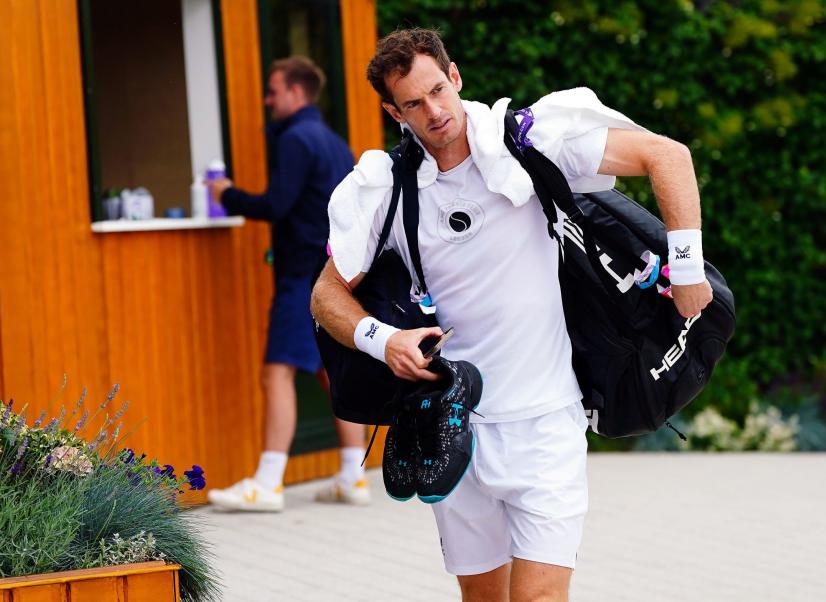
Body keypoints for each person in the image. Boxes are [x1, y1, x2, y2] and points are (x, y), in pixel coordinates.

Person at [311, 29, 712, 600]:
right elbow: (326, 296)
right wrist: (383, 340)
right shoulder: (387, 187)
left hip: (547, 422)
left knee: (539, 597)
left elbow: (667, 154)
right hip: (452, 428)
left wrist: (688, 267)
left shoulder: (528, 142)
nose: (433, 112)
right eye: (413, 104)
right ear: (391, 110)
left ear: (455, 77)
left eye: (437, 91)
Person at [207, 56, 370, 512]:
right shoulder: (336, 144)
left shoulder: (296, 138)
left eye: (273, 90)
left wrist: (227, 196)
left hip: (302, 274)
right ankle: (353, 476)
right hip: (335, 271)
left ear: (296, 93)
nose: (267, 99)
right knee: (327, 370)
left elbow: (277, 203)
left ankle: (267, 482)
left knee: (276, 371)